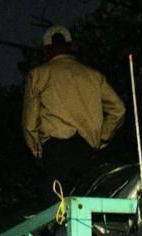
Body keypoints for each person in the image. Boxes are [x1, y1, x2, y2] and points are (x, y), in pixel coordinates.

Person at [22, 25, 125, 198]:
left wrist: (37, 150)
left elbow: (29, 123)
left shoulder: (38, 75)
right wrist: (102, 138)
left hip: (56, 150)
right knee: (87, 202)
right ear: (70, 46)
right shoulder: (94, 76)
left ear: (46, 49)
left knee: (58, 206)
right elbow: (119, 109)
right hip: (87, 150)